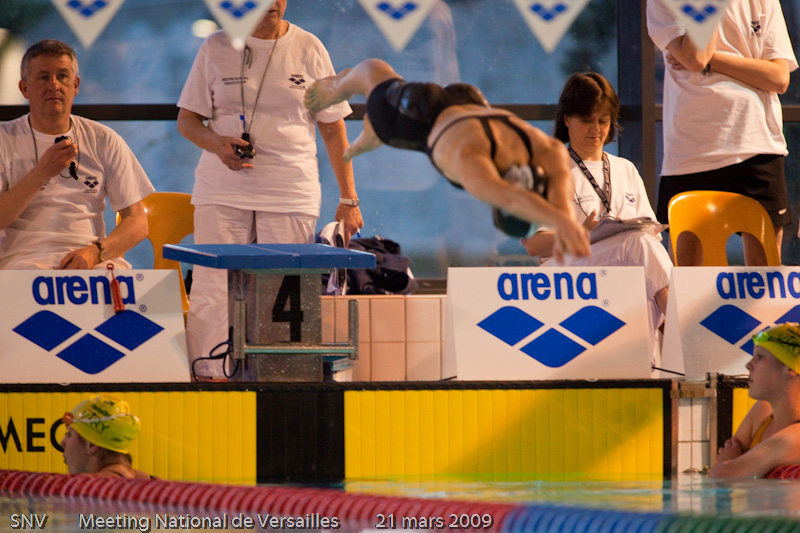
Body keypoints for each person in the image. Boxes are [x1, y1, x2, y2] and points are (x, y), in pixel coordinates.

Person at [177, 1, 363, 379]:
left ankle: (282, 380)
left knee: (285, 291)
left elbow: (333, 128)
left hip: (290, 190)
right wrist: (217, 144)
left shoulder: (308, 47)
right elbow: (187, 121)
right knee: (212, 288)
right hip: (221, 188)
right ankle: (210, 378)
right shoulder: (215, 46)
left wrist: (348, 199)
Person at [303, 58, 590, 260]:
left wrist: (563, 220)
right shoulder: (475, 165)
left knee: (376, 85)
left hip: (453, 106)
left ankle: (369, 131)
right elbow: (516, 195)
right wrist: (564, 220)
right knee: (373, 79)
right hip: (427, 119)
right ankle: (343, 92)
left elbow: (545, 173)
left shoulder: (523, 151)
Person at [521, 72, 672, 364]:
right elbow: (534, 245)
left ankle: (647, 366)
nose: (596, 130)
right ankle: (684, 330)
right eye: (587, 120)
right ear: (567, 119)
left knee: (641, 253)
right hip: (566, 273)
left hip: (623, 265)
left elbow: (651, 236)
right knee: (638, 247)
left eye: (603, 121)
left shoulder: (626, 169)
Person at [647, 0, 797, 266]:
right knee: (689, 278)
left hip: (756, 140)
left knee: (764, 276)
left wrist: (714, 61)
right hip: (691, 148)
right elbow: (696, 57)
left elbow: (779, 78)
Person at [0, 39, 153, 270]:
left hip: (91, 260)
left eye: (62, 76)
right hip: (25, 262)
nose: (54, 85)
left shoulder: (103, 139)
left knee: (123, 286)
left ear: (76, 84)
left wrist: (96, 252)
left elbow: (138, 223)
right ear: (24, 88)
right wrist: (42, 172)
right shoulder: (4, 139)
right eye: (43, 77)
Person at [709, 323, 800, 478]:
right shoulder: (762, 413)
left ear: (790, 368)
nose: (748, 365)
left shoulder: (795, 436)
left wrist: (728, 463)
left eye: (760, 357)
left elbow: (721, 473)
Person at [60, 394, 151, 479]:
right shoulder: (148, 484)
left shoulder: (84, 487)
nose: (62, 443)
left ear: (92, 444)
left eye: (69, 435)